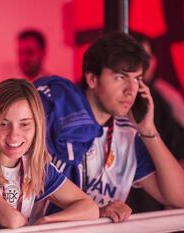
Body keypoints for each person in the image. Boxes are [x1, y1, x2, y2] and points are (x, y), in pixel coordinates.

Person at [34, 32, 184, 222]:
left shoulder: (127, 134)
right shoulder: (57, 114)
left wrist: (148, 130)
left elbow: (180, 197)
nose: (131, 90)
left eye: (137, 79)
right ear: (92, 79)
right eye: (121, 77)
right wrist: (97, 210)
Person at [0, 79, 99, 229]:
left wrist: (47, 221)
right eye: (4, 124)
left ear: (37, 125)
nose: (14, 136)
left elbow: (90, 209)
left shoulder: (36, 166)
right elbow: (9, 220)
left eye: (24, 124)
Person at [126, 31, 184, 213]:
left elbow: (179, 149)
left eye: (148, 57)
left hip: (151, 202)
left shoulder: (161, 97)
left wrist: (172, 197)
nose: (145, 65)